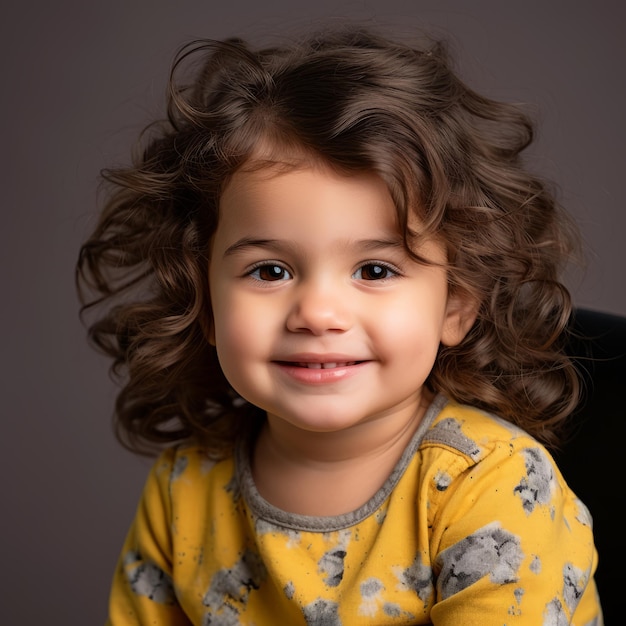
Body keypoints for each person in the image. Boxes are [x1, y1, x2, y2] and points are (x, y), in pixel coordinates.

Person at [77, 25, 603, 625]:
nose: (318, 313)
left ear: (456, 303)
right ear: (205, 301)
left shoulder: (492, 488)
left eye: (375, 269)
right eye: (270, 270)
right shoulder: (185, 486)